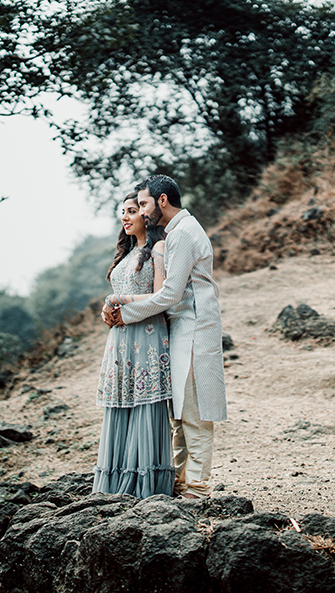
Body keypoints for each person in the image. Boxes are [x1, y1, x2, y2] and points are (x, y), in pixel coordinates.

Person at [104, 174, 227, 499]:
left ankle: (197, 490)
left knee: (195, 414)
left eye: (143, 204)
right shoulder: (176, 232)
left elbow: (170, 294)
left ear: (161, 201)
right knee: (179, 413)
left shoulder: (184, 233)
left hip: (195, 329)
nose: (141, 212)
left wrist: (123, 310)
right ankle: (179, 483)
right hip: (180, 330)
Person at [92, 193, 175, 498]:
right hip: (120, 339)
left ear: (145, 214)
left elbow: (161, 297)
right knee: (121, 405)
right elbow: (116, 293)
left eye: (132, 210)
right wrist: (107, 308)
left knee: (144, 405)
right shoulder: (127, 253)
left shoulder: (159, 248)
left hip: (146, 335)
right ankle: (115, 482)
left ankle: (145, 484)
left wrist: (119, 302)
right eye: (123, 212)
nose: (126, 217)